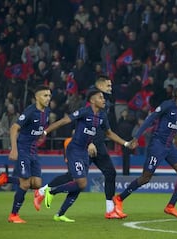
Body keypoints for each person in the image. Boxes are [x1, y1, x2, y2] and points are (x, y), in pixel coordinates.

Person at [34, 76, 127, 219]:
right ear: (99, 86)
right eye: (108, 86)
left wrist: (125, 143)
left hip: (98, 145)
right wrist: (89, 142)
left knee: (109, 173)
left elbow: (106, 130)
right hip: (86, 147)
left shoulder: (104, 104)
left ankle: (109, 210)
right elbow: (77, 124)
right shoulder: (88, 103)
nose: (110, 88)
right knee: (76, 179)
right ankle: (45, 192)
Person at [113, 86, 177, 219]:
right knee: (146, 178)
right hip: (157, 145)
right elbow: (150, 119)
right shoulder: (167, 105)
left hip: (170, 147)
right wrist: (136, 137)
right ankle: (119, 198)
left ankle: (171, 206)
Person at [7, 85, 52, 223]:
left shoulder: (47, 112)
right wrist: (14, 149)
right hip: (22, 149)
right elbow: (14, 128)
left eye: (49, 95)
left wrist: (40, 136)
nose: (48, 98)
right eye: (45, 95)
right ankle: (13, 215)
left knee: (37, 183)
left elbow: (38, 129)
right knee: (25, 184)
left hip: (33, 150)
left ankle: (6, 179)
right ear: (37, 97)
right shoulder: (30, 111)